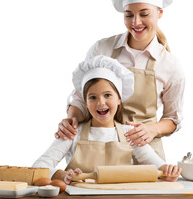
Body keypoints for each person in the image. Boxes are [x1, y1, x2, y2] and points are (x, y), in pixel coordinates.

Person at [55, 0, 185, 161]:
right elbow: (80, 97)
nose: (136, 22)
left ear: (160, 13)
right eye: (129, 15)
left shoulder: (170, 65)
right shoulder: (103, 49)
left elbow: (173, 118)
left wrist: (152, 129)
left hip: (146, 154)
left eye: (144, 14)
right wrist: (71, 119)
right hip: (101, 151)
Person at [33, 56, 181, 184]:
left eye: (107, 95)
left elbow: (160, 168)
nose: (100, 103)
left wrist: (169, 172)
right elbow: (38, 167)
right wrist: (62, 175)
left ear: (119, 99)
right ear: (85, 103)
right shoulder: (73, 134)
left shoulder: (130, 134)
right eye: (92, 97)